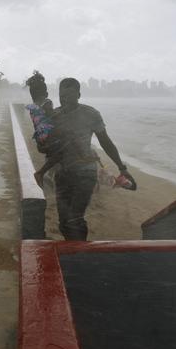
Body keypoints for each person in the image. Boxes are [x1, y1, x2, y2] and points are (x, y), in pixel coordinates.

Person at [51, 77, 135, 241]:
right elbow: (49, 148)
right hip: (62, 173)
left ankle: (81, 253)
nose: (65, 99)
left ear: (79, 95)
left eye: (69, 95)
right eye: (62, 95)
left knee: (75, 218)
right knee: (63, 222)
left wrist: (122, 167)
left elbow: (105, 142)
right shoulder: (55, 116)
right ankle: (74, 249)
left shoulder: (90, 114)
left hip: (85, 173)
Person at [24, 71, 64, 187]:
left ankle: (50, 174)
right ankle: (40, 173)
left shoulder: (33, 106)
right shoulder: (47, 102)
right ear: (45, 92)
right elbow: (52, 118)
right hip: (48, 137)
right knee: (64, 148)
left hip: (40, 137)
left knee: (55, 152)